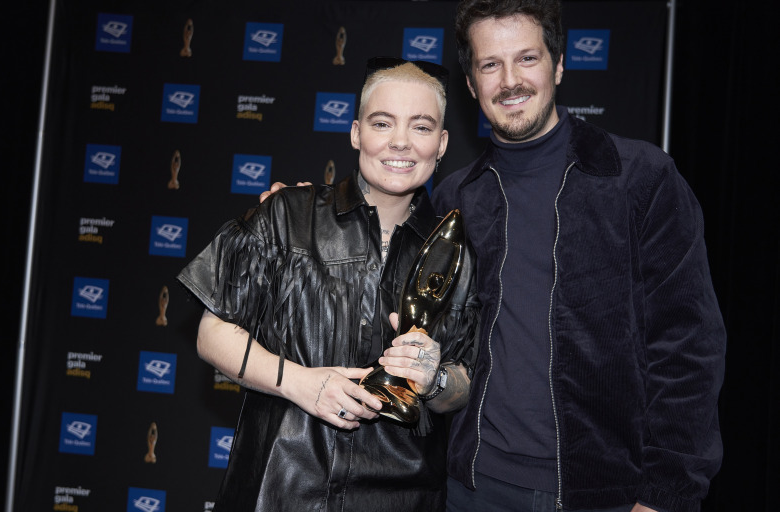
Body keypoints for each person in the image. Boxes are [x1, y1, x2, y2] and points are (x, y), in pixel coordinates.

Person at [262, 1, 726, 511]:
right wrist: (305, 210)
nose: (510, 81)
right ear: (470, 83)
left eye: (526, 59)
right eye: (490, 65)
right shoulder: (457, 199)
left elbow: (688, 349)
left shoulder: (639, 179)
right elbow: (378, 239)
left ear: (559, 65)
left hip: (604, 492)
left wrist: (663, 497)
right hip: (472, 489)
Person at [177, 58, 479, 511]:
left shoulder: (454, 252)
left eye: (421, 127)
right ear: (357, 133)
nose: (400, 142)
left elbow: (463, 382)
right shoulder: (288, 214)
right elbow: (211, 332)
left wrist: (434, 379)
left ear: (441, 144)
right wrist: (298, 382)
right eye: (383, 123)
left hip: (404, 495)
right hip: (279, 487)